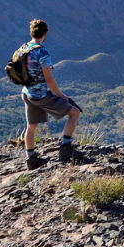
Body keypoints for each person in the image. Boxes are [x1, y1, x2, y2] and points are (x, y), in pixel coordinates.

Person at [18, 19, 81, 169]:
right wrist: (62, 95)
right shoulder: (42, 52)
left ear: (31, 32)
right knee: (75, 113)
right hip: (40, 95)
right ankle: (65, 150)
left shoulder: (23, 48)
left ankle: (31, 159)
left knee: (31, 126)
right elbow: (49, 78)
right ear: (45, 33)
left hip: (26, 92)